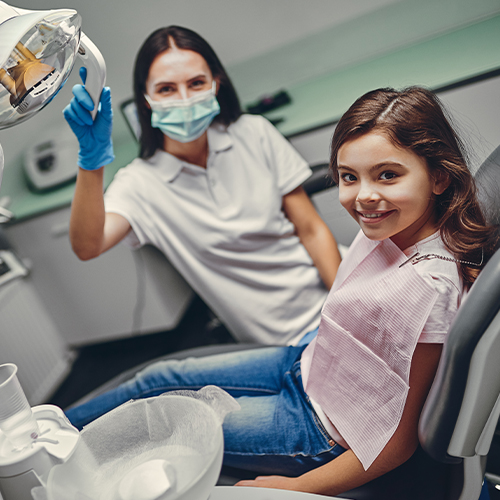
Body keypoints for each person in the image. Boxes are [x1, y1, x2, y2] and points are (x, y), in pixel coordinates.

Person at [65, 86, 496, 496]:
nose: (364, 197)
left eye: (387, 175)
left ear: (438, 177)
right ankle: (51, 426)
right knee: (157, 379)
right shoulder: (399, 225)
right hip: (308, 363)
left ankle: (51, 454)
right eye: (349, 177)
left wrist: (296, 488)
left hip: (315, 426)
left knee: (160, 425)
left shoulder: (426, 287)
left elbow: (397, 443)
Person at [63, 26, 341, 345]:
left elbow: (311, 229)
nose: (184, 100)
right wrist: (91, 162)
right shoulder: (140, 184)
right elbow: (87, 246)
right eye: (166, 89)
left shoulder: (253, 132)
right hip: (288, 339)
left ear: (215, 84)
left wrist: (344, 309)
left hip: (337, 289)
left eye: (196, 83)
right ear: (147, 99)